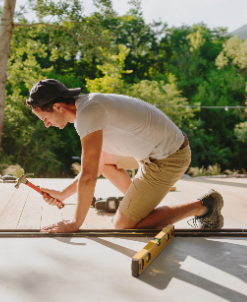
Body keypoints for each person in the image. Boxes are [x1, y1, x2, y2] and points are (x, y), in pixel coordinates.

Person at [26, 79, 225, 233]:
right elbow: (98, 165)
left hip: (168, 158)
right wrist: (62, 194)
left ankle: (204, 207)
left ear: (58, 106)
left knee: (123, 226)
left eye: (45, 118)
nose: (46, 124)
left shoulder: (88, 114)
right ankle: (138, 205)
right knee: (107, 164)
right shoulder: (87, 106)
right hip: (157, 149)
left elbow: (89, 176)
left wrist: (75, 223)